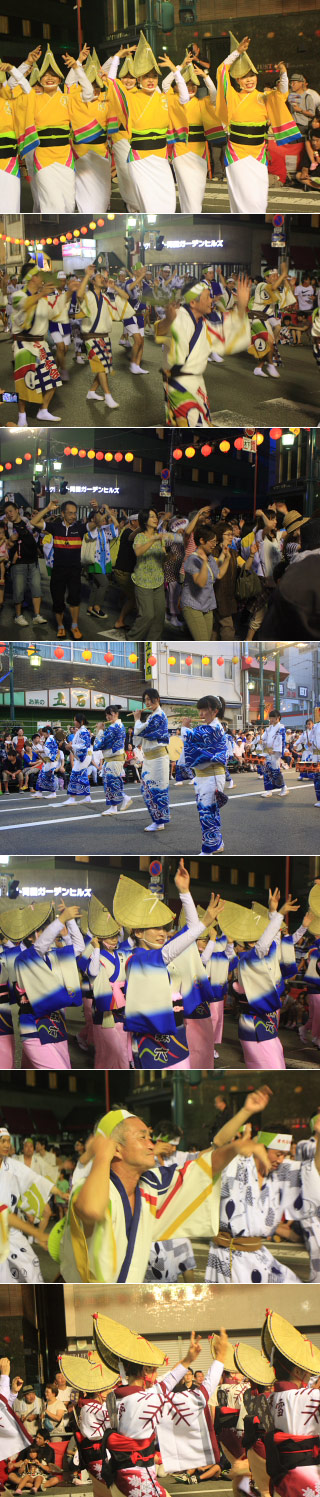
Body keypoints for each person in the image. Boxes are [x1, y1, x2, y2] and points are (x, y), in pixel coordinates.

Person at [56, 1103, 259, 1283]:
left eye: (150, 1138)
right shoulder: (88, 1187)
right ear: (116, 1149)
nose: (150, 1144)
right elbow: (91, 1209)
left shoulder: (149, 1185)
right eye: (142, 1137)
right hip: (92, 1304)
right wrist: (102, 1155)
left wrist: (234, 1147)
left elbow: (201, 1168)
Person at [215, 34, 301, 212]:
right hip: (236, 153)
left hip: (258, 153)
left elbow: (282, 94)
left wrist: (283, 73)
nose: (249, 80)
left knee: (259, 196)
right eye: (245, 77)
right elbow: (221, 70)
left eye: (252, 76)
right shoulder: (232, 96)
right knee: (240, 192)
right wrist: (237, 52)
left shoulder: (265, 97)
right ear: (238, 80)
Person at [156, 277, 251, 426]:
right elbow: (161, 330)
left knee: (199, 423)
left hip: (197, 381)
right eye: (207, 297)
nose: (211, 300)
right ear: (193, 302)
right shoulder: (180, 315)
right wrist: (168, 320)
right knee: (195, 425)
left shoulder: (206, 320)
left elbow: (230, 323)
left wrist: (242, 304)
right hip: (180, 385)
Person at [183, 694, 228, 853]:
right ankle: (217, 842)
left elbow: (192, 738)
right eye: (200, 710)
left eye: (204, 710)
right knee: (209, 811)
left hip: (212, 775)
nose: (201, 714)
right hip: (206, 775)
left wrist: (185, 728)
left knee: (207, 812)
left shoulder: (212, 729)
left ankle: (210, 847)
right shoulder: (210, 728)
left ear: (214, 711)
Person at [132, 509, 177, 640]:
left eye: (155, 516)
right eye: (151, 517)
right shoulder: (140, 537)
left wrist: (169, 557)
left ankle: (152, 644)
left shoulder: (159, 537)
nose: (155, 519)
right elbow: (138, 552)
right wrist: (153, 539)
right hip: (142, 581)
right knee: (147, 615)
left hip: (158, 580)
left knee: (159, 616)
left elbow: (162, 557)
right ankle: (132, 639)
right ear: (145, 520)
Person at [181, 522, 230, 640]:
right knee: (202, 641)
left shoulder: (210, 557)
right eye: (212, 542)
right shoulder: (192, 559)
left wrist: (227, 557)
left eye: (216, 541)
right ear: (202, 541)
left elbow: (218, 574)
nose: (214, 545)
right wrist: (203, 563)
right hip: (193, 605)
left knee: (206, 640)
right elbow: (201, 582)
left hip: (207, 605)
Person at [48, 501, 89, 639]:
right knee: (58, 599)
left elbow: (97, 523)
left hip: (74, 570)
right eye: (70, 513)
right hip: (58, 570)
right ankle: (60, 626)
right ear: (63, 513)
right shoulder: (55, 527)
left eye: (75, 513)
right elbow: (34, 522)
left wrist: (98, 510)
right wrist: (48, 508)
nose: (73, 516)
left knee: (75, 599)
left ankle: (74, 626)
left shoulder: (80, 528)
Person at [133, 687, 170, 832]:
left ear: (157, 699)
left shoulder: (159, 716)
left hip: (158, 758)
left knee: (156, 788)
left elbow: (145, 732)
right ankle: (160, 818)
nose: (148, 702)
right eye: (146, 700)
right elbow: (141, 734)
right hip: (151, 758)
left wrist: (137, 720)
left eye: (150, 699)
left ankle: (159, 821)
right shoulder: (152, 716)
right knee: (151, 788)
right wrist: (139, 722)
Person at [94, 706, 132, 817]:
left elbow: (99, 745)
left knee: (111, 782)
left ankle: (114, 807)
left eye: (109, 714)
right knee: (111, 781)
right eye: (106, 715)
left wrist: (100, 730)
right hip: (113, 758)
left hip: (115, 758)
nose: (107, 717)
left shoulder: (114, 727)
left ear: (115, 714)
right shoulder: (116, 726)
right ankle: (124, 798)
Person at [64, 714, 93, 805]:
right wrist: (71, 745)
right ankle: (87, 797)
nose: (74, 722)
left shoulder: (83, 731)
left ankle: (72, 798)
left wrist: (71, 746)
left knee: (75, 774)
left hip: (84, 756)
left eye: (76, 720)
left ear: (81, 722)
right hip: (84, 756)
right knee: (82, 775)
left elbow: (84, 746)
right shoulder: (81, 731)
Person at [261, 709, 288, 799]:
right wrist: (261, 740)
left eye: (273, 718)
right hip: (269, 751)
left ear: (278, 718)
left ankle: (284, 788)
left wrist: (276, 750)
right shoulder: (269, 728)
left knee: (276, 771)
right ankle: (268, 790)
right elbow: (263, 737)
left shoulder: (281, 728)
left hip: (275, 752)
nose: (271, 719)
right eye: (271, 718)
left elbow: (281, 740)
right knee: (267, 771)